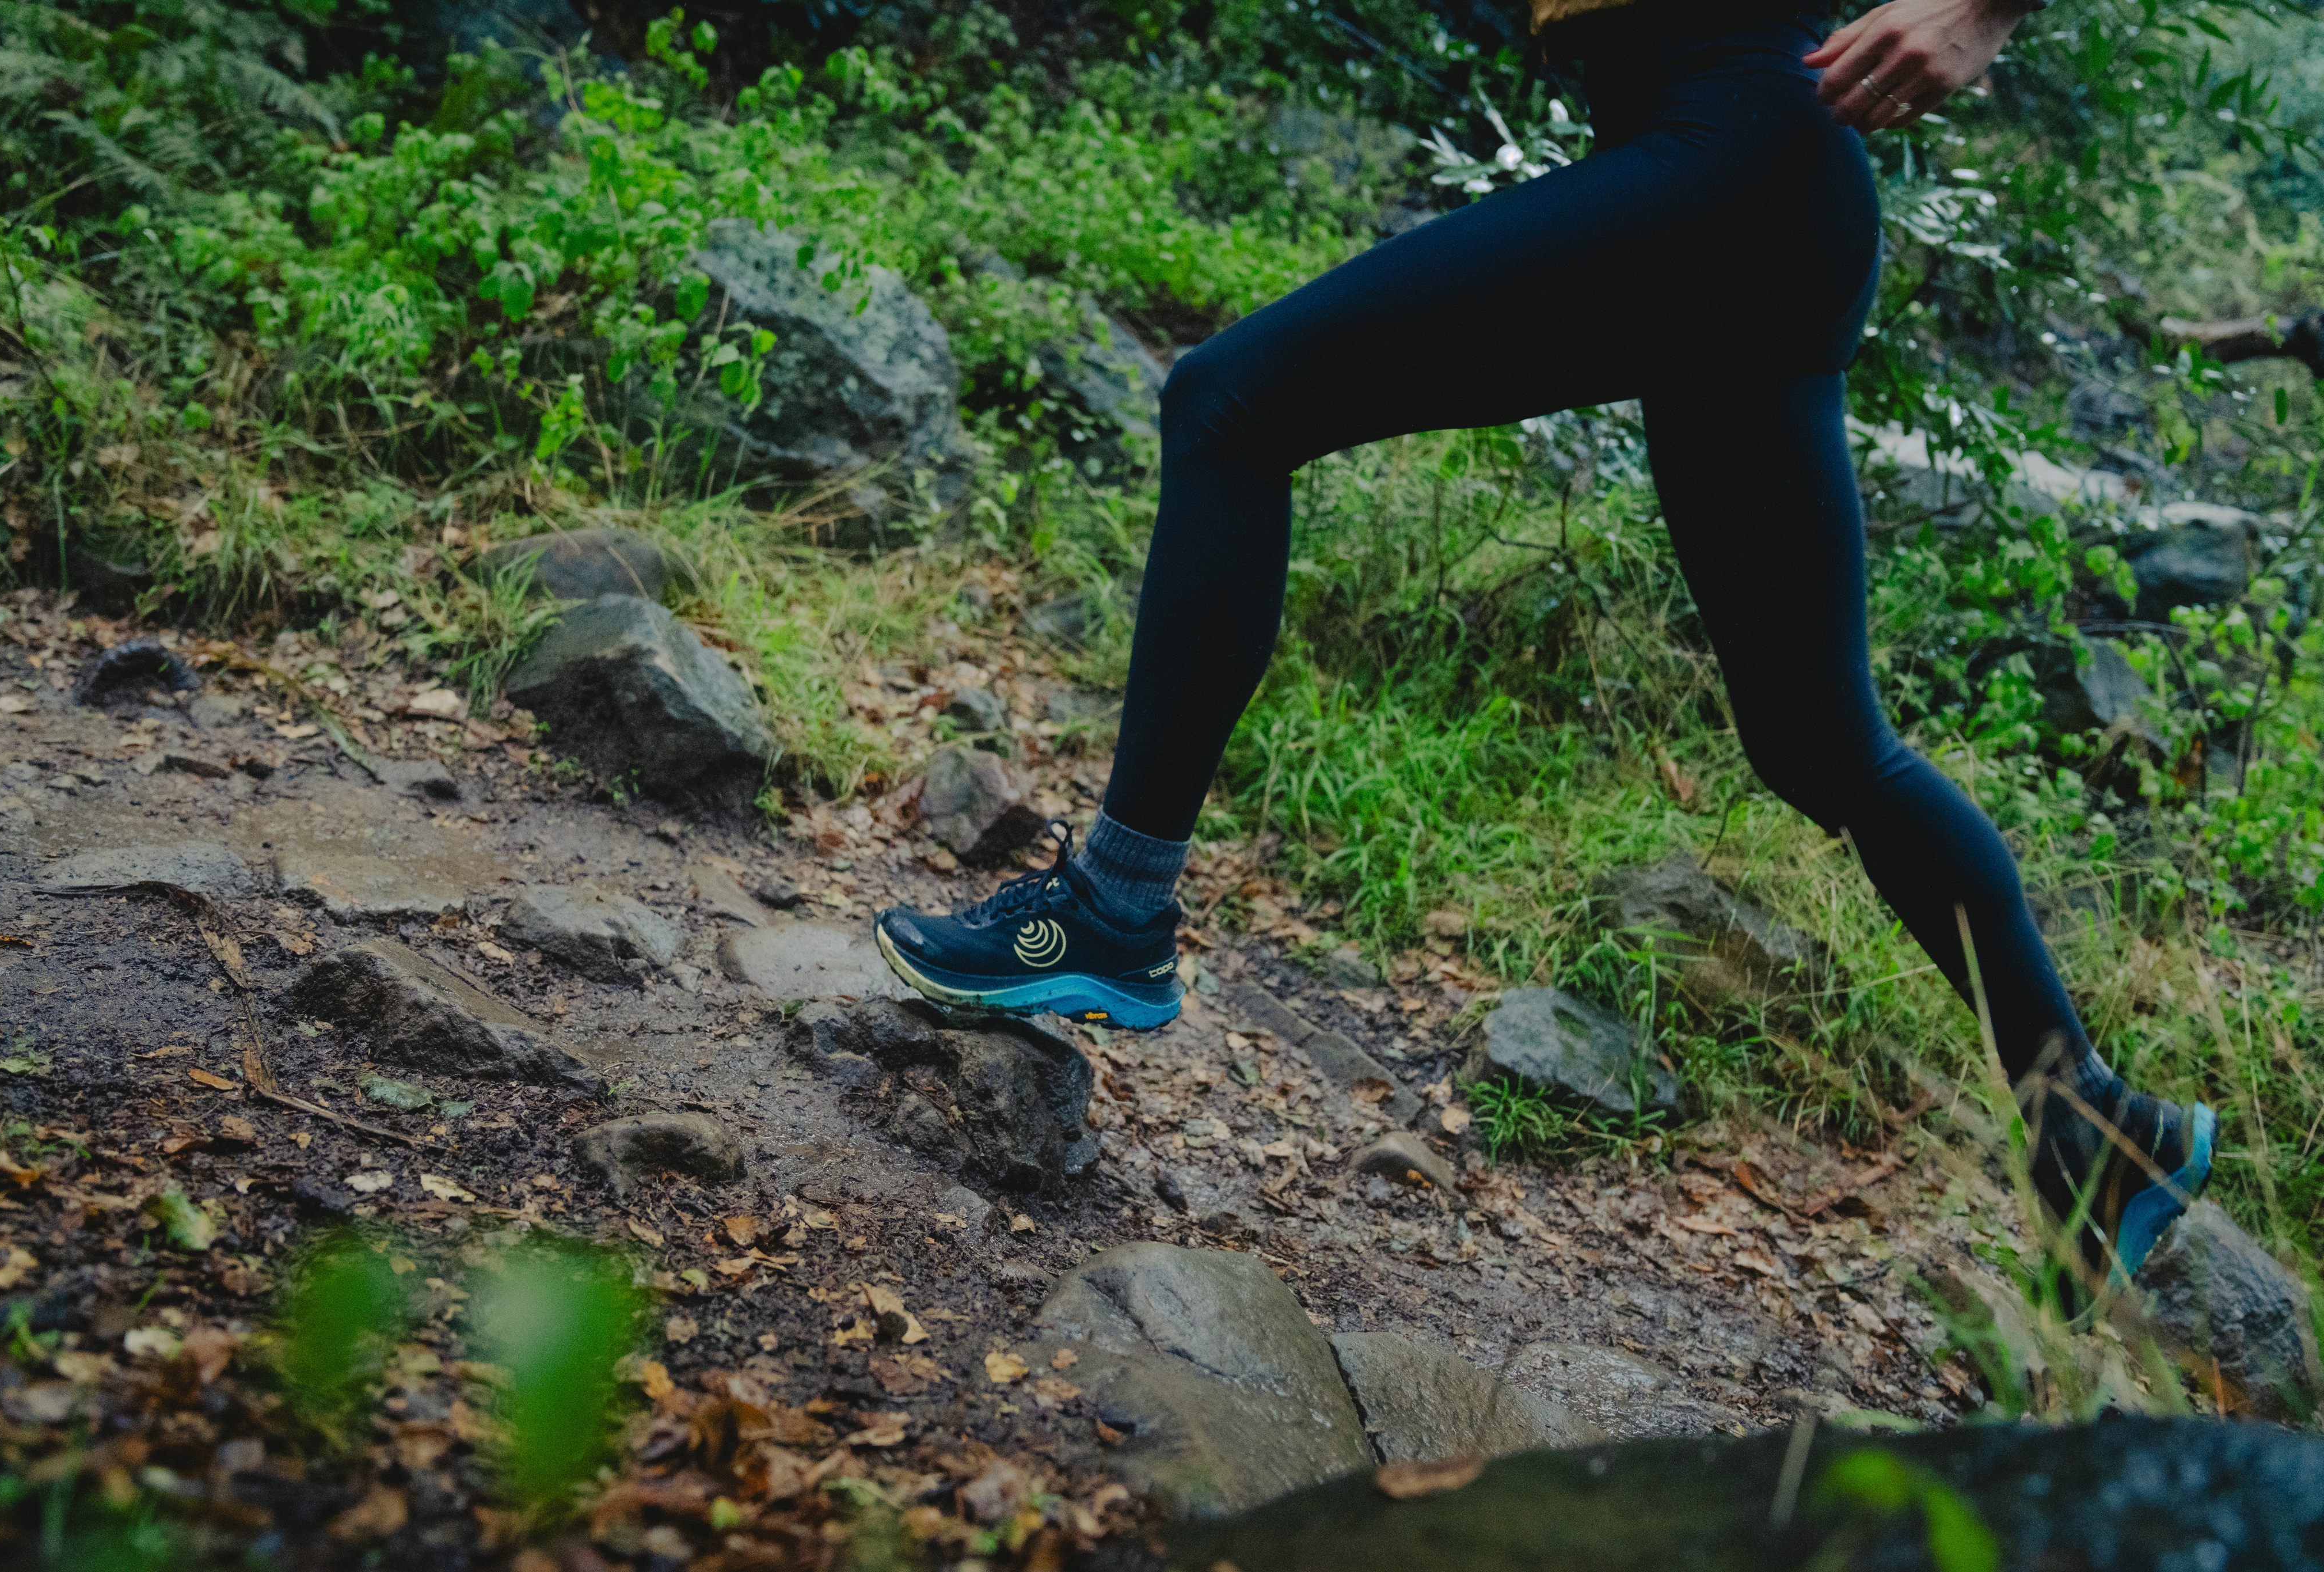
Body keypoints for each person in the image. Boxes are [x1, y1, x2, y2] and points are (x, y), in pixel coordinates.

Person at [874, 0, 2215, 1290]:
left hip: (1732, 159)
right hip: (1743, 190)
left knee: (1227, 404)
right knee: (1820, 743)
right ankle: (2087, 1121)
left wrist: (1985, 3)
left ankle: (1112, 912)